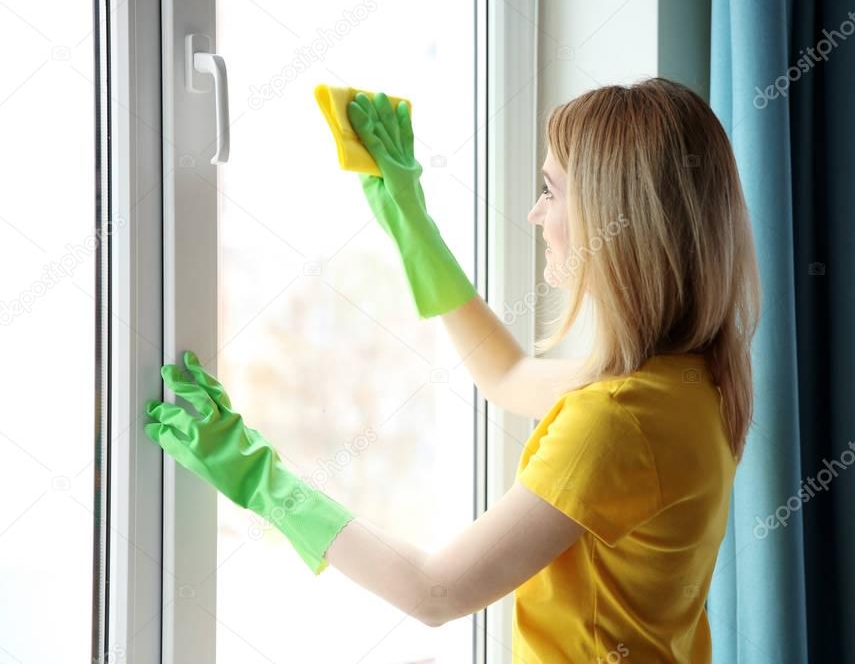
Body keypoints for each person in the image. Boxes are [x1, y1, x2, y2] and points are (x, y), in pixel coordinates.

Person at [145, 76, 761, 663]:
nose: (534, 215)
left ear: (613, 220)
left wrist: (257, 478)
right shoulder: (690, 381)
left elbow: (434, 592)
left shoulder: (617, 421)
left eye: (550, 190)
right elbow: (507, 376)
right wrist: (415, 228)